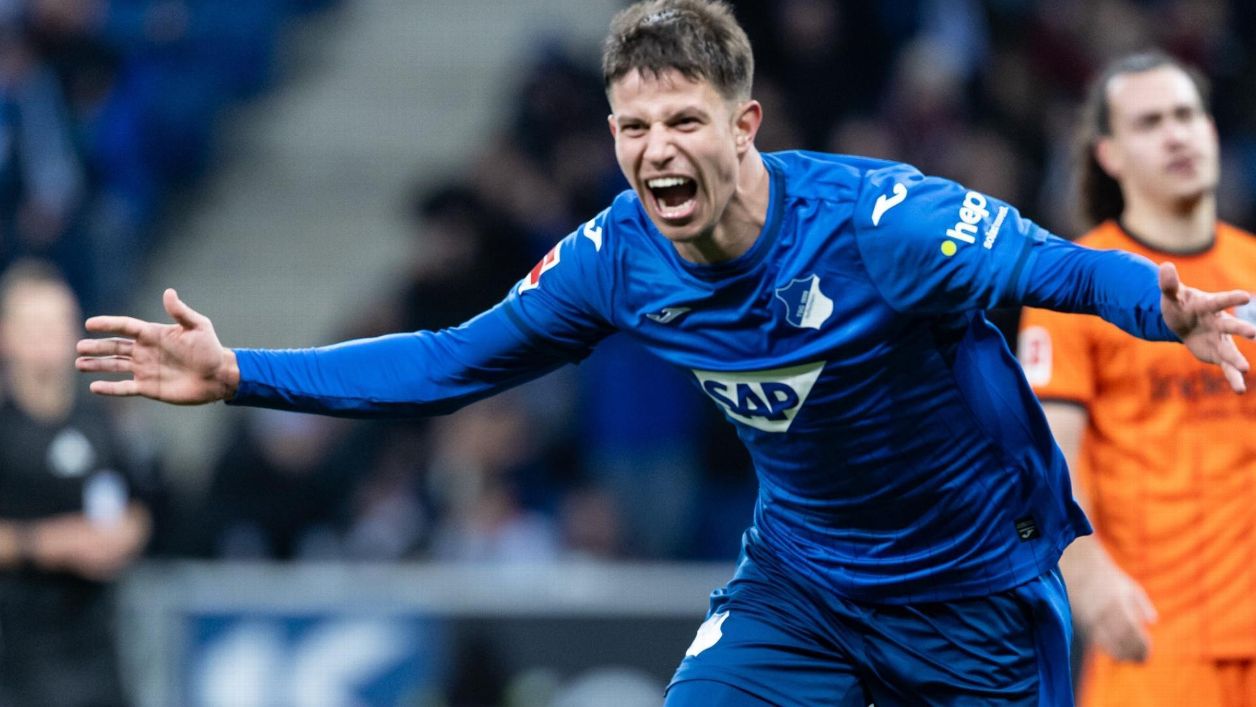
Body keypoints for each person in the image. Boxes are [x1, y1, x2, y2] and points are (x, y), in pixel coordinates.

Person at [76, 2, 1256, 704]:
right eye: (634, 127)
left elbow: (1054, 267)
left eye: (683, 119)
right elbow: (448, 361)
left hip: (972, 595)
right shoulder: (613, 259)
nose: (656, 149)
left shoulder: (878, 224)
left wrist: (1164, 306)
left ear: (745, 126)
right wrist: (241, 372)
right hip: (802, 587)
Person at [1018, 52, 1256, 707]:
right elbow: (1046, 456)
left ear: (1212, 131)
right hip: (1156, 638)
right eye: (1150, 123)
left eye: (1187, 115)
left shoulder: (1252, 269)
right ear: (1109, 155)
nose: (1176, 135)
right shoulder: (1073, 288)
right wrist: (1087, 577)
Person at [0, 259, 153, 707]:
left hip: (97, 652)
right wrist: (50, 544)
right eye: (35, 326)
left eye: (57, 324)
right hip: (15, 656)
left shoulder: (100, 418)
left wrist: (124, 536)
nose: (48, 338)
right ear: (7, 334)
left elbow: (139, 506)